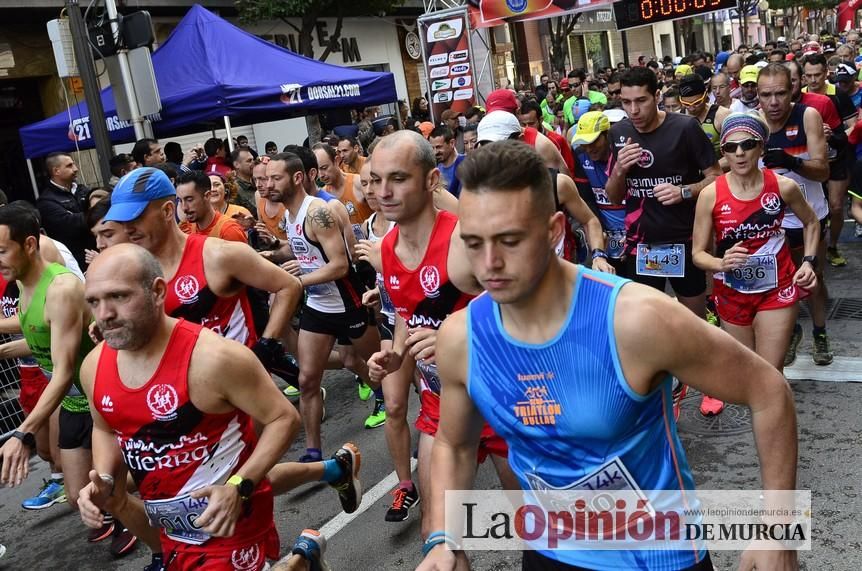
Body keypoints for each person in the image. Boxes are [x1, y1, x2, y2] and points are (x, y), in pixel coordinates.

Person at [416, 139, 799, 571]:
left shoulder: (636, 318)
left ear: (554, 230)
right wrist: (444, 538)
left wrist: (778, 530)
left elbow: (769, 391)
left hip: (658, 558)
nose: (490, 263)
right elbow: (454, 443)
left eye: (509, 240)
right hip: (548, 555)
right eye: (473, 243)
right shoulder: (462, 338)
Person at [76, 244, 301, 570]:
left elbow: (283, 417)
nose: (104, 314)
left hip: (231, 520)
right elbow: (105, 427)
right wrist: (107, 482)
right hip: (169, 529)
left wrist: (240, 485)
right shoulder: (93, 367)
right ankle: (303, 559)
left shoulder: (214, 358)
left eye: (119, 297)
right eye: (94, 301)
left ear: (156, 291)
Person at [367, 131, 517, 528]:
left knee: (538, 527)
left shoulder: (465, 240)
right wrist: (395, 355)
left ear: (431, 180)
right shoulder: (385, 249)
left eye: (398, 178)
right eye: (376, 179)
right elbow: (408, 311)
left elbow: (530, 313)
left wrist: (457, 338)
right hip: (441, 407)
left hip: (502, 400)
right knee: (438, 534)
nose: (383, 191)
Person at [0, 203, 135, 552]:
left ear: (29, 245)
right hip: (74, 400)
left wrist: (23, 433)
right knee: (77, 496)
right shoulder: (23, 288)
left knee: (110, 489)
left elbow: (60, 371)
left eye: (2, 251)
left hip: (101, 396)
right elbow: (39, 342)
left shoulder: (59, 289)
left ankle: (149, 502)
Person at [103, 167, 303, 387]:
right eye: (122, 222)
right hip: (190, 386)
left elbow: (288, 286)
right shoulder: (138, 269)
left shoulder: (220, 253)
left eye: (136, 218)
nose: (128, 229)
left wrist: (267, 343)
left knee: (297, 387)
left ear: (168, 211)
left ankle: (311, 381)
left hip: (238, 382)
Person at [606, 66, 725, 417]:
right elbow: (615, 196)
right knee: (649, 325)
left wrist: (684, 190)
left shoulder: (684, 128)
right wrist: (618, 171)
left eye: (641, 100)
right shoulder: (619, 132)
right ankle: (665, 390)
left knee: (693, 320)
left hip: (685, 241)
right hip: (642, 245)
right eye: (626, 102)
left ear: (657, 96)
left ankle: (709, 383)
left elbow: (716, 177)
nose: (633, 110)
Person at [266, 153, 385, 460]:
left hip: (347, 302)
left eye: (275, 178)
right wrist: (272, 255)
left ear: (296, 178)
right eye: (266, 179)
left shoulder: (318, 212)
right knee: (307, 378)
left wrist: (297, 283)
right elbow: (305, 252)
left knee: (377, 363)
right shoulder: (289, 216)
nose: (269, 184)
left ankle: (391, 396)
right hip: (319, 307)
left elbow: (339, 266)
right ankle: (313, 452)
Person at [692, 113, 820, 372]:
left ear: (761, 147)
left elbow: (812, 222)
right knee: (748, 374)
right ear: (724, 152)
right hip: (732, 292)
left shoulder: (784, 186)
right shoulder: (710, 194)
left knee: (771, 372)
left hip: (777, 287)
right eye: (730, 147)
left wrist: (808, 262)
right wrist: (720, 263)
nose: (739, 153)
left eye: (748, 144)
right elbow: (697, 254)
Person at [756, 63, 833, 366]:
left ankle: (820, 332)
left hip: (809, 217)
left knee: (811, 280)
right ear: (757, 97)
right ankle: (790, 334)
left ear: (792, 91)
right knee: (776, 286)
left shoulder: (807, 116)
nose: (773, 102)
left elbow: (823, 169)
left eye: (780, 94)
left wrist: (791, 161)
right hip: (772, 223)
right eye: (766, 95)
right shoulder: (753, 122)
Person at [803, 54, 857, 268]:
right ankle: (812, 250)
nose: (813, 80)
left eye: (818, 75)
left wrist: (832, 136)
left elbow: (853, 128)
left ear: (827, 73)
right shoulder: (799, 96)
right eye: (808, 75)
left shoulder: (838, 95)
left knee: (835, 207)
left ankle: (832, 246)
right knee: (810, 208)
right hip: (810, 162)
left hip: (838, 158)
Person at [571, 111, 627, 273]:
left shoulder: (623, 154)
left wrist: (634, 234)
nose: (589, 148)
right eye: (584, 143)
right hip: (605, 236)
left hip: (635, 236)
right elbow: (587, 199)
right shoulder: (580, 156)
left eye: (594, 141)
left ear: (607, 135)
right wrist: (598, 231)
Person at [37, 153, 95, 269]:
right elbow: (70, 224)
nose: (76, 169)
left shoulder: (83, 190)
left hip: (97, 254)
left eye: (74, 164)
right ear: (56, 171)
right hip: (75, 263)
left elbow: (104, 207)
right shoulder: (46, 201)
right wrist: (94, 213)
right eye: (69, 166)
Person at [312, 143, 372, 240]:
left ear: (336, 161)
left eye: (324, 168)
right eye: (317, 170)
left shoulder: (359, 183)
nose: (321, 175)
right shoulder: (321, 197)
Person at [176, 171, 249, 243]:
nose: (184, 207)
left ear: (207, 196)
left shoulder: (229, 231)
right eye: (180, 201)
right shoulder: (188, 227)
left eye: (189, 200)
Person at [679, 74, 730, 161]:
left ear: (706, 95)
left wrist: (708, 169)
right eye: (686, 104)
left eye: (697, 102)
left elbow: (735, 153)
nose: (691, 108)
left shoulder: (722, 115)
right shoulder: (677, 117)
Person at [429, 126, 465, 198]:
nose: (435, 152)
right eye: (432, 148)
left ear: (452, 143)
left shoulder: (465, 164)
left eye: (439, 147)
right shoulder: (436, 169)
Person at [231, 147, 259, 218]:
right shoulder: (234, 189)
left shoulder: (258, 181)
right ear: (237, 165)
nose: (253, 163)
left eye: (253, 160)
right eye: (249, 161)